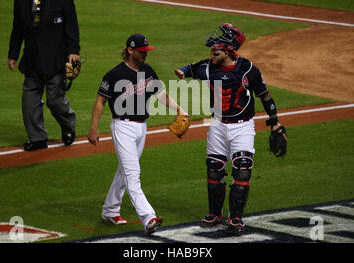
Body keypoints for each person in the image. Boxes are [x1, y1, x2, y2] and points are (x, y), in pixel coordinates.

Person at [174, 23, 287, 233]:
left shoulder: (248, 69)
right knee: (214, 169)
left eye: (215, 52)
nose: (211, 56)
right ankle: (214, 214)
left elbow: (265, 95)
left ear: (228, 51)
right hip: (217, 125)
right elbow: (192, 67)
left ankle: (235, 218)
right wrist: (182, 71)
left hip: (242, 127)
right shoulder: (208, 67)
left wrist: (275, 121)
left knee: (242, 169)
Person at [88, 33, 189, 235]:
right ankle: (149, 217)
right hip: (122, 127)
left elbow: (160, 94)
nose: (145, 54)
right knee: (133, 174)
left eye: (146, 51)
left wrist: (179, 109)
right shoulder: (114, 74)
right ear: (130, 50)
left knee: (124, 171)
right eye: (141, 51)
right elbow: (101, 101)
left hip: (141, 127)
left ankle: (110, 210)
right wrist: (93, 128)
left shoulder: (147, 71)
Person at [7, 0, 80, 151]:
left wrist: (74, 50)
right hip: (32, 61)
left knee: (55, 101)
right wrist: (13, 55)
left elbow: (72, 26)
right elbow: (17, 30)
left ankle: (68, 126)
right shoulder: (20, 0)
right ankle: (38, 138)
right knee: (29, 102)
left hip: (56, 61)